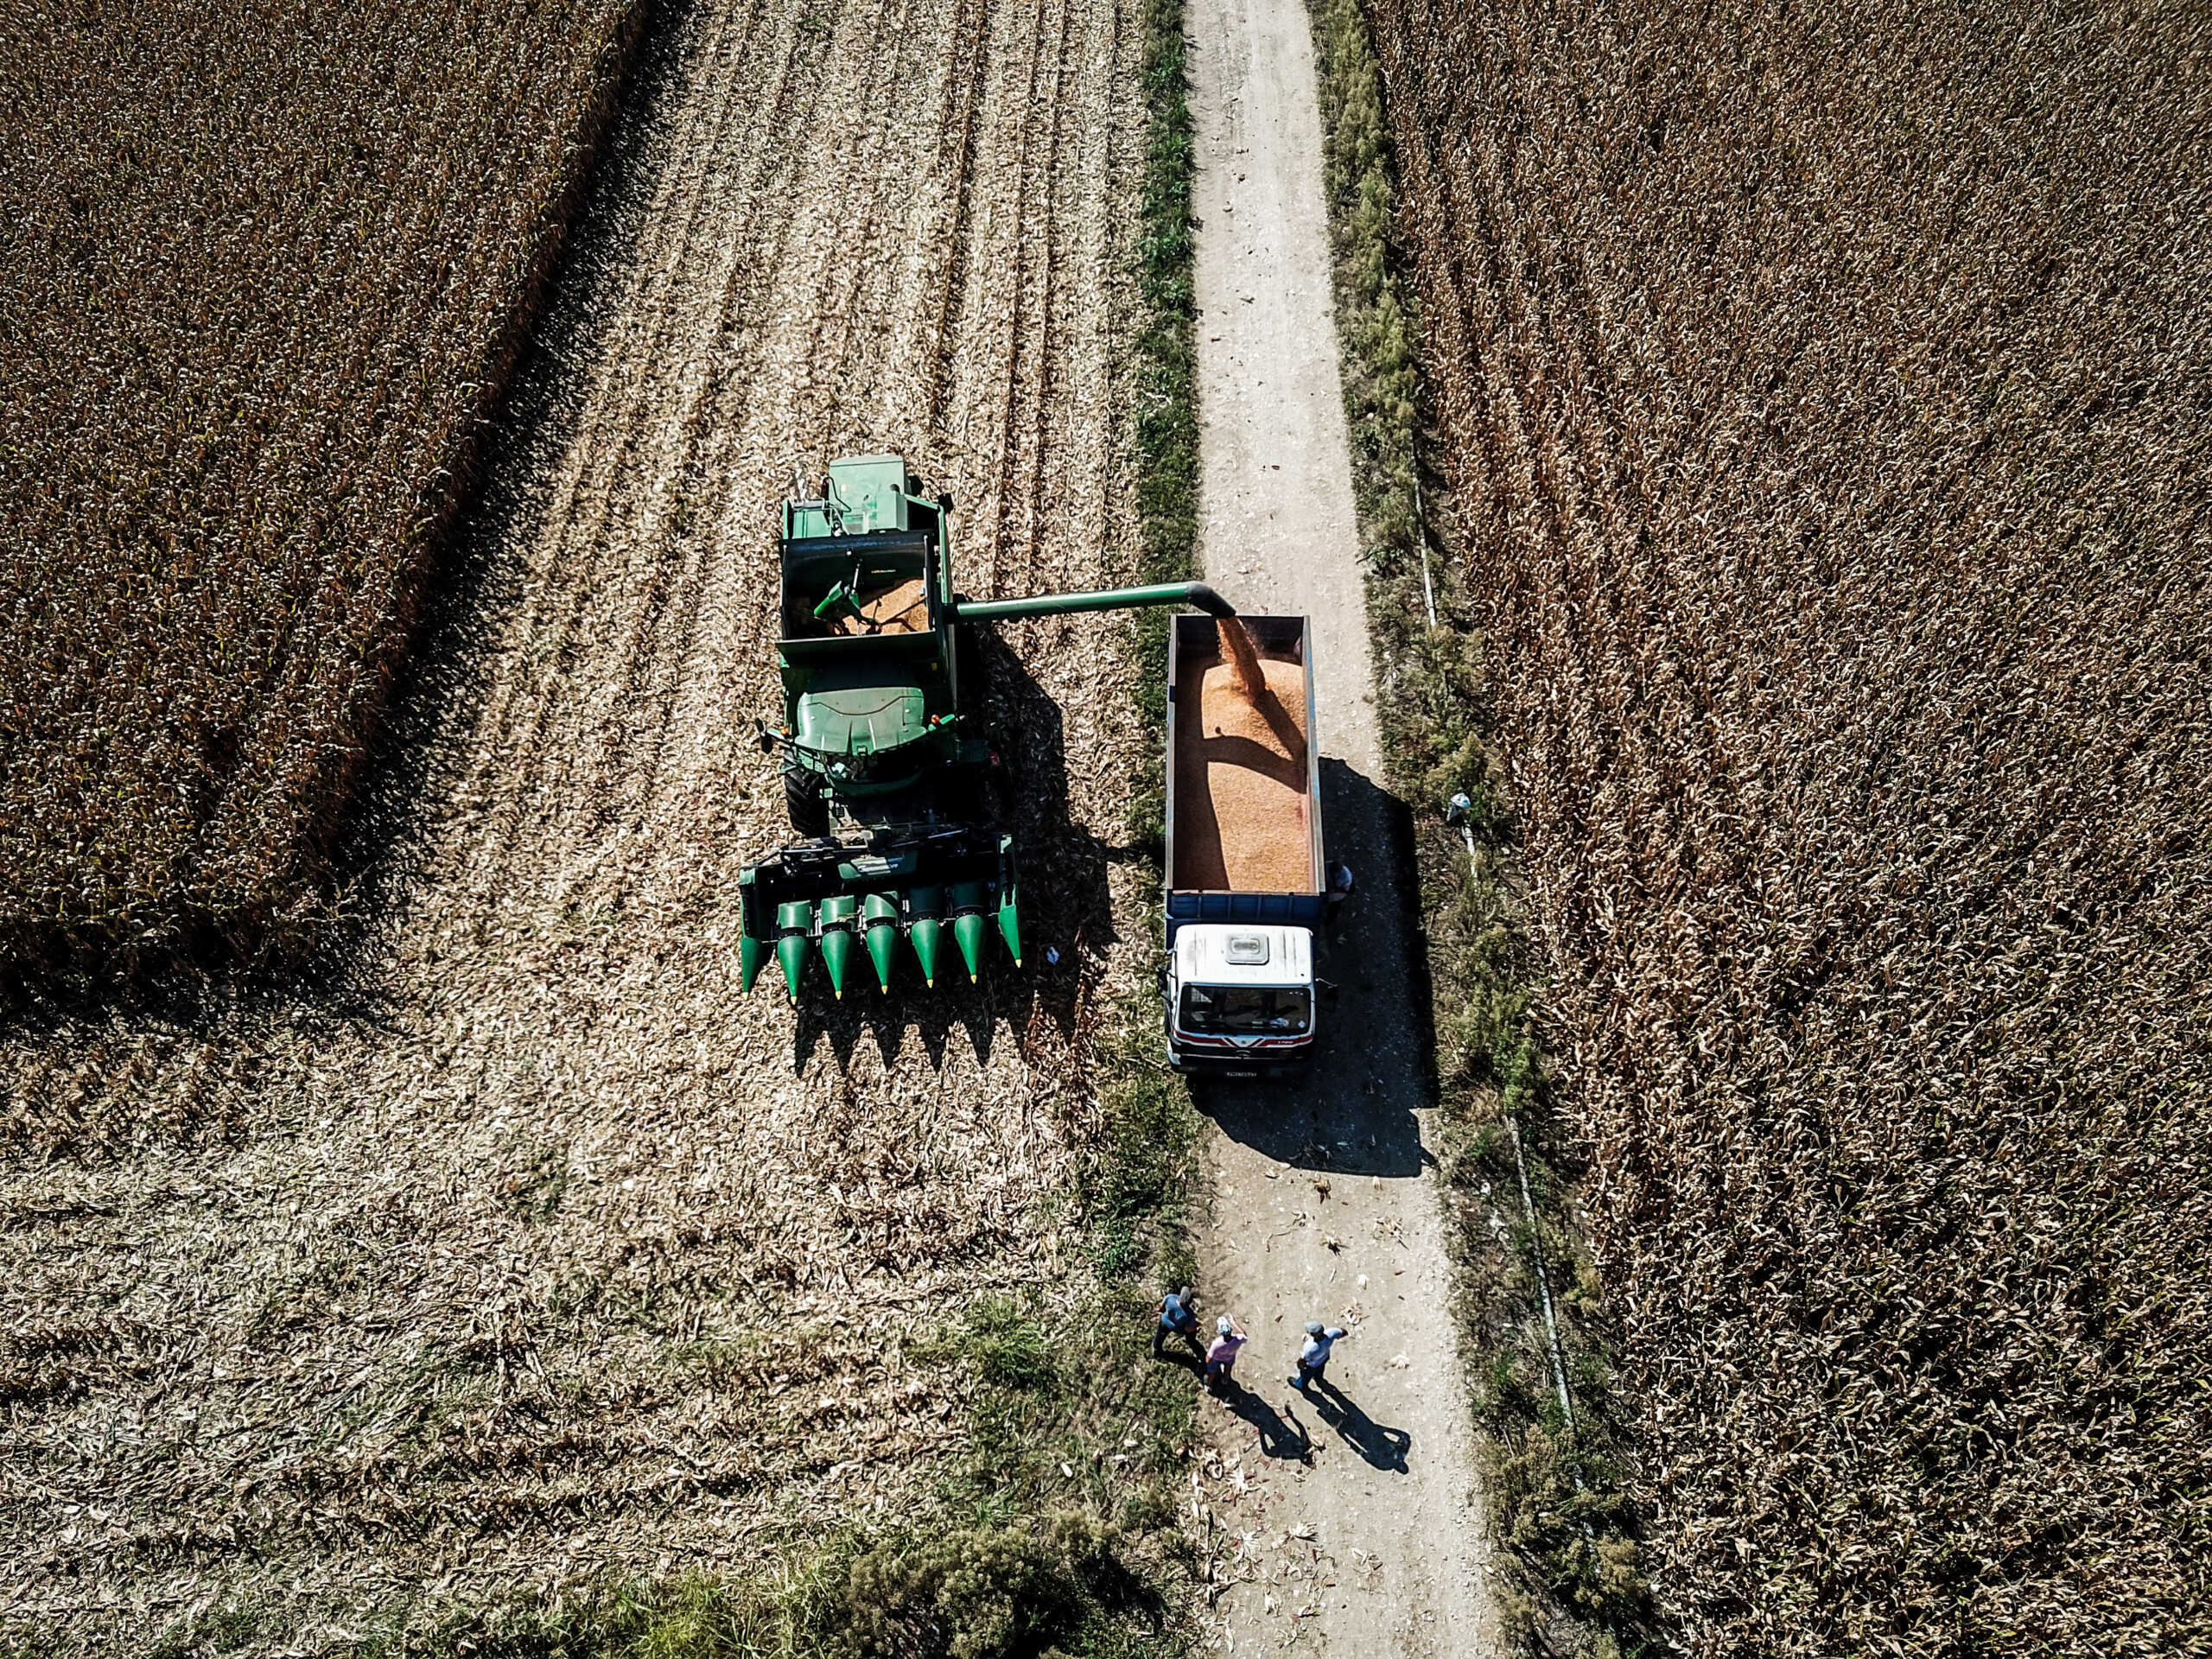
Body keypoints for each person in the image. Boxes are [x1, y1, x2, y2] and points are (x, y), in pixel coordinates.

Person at [1289, 1320, 1348, 1391]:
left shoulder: (1310, 1348)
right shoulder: (1331, 1333)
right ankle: (1319, 1379)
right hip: (1324, 1358)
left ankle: (1300, 1385)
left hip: (1313, 1365)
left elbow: (1302, 1361)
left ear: (1313, 1335)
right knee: (1320, 1371)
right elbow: (1343, 1332)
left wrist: (1301, 1368)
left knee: (1305, 1376)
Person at [1154, 1285, 1204, 1359]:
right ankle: (1192, 1343)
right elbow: (1188, 1329)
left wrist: (1159, 1312)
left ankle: (1156, 1350)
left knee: (1159, 1336)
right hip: (1177, 1328)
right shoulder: (1190, 1315)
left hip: (1165, 1321)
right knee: (1191, 1335)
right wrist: (1197, 1328)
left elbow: (1162, 1307)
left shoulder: (1170, 1297)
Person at [1205, 1315, 1248, 1395]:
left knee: (1211, 1373)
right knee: (1227, 1369)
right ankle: (1225, 1380)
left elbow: (1208, 1359)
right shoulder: (1238, 1339)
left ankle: (1208, 1385)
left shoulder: (1217, 1343)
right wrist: (1234, 1322)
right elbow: (1244, 1334)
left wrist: (1208, 1362)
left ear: (1221, 1332)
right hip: (1230, 1358)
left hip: (1216, 1359)